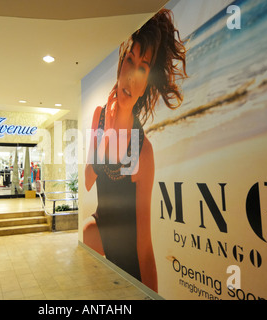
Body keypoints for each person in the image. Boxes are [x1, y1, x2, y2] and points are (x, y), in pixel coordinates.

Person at [83, 9, 187, 293]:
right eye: (130, 60)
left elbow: (144, 246)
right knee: (86, 232)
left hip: (129, 257)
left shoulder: (143, 152)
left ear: (146, 83)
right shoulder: (99, 116)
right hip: (101, 232)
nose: (132, 75)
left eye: (142, 67)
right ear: (120, 66)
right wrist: (106, 136)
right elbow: (89, 180)